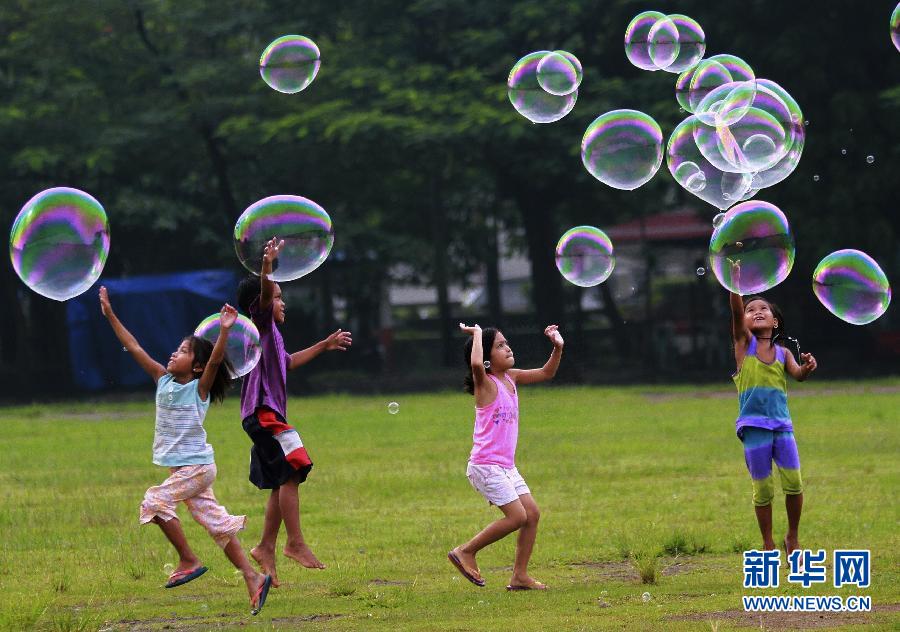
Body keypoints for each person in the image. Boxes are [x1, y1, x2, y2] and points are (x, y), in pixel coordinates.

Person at [99, 286, 271, 615]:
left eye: (182, 351)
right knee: (218, 526)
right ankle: (253, 578)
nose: (173, 354)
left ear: (196, 367)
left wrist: (223, 330)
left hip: (197, 467)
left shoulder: (199, 389)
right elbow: (132, 345)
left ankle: (189, 559)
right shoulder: (162, 380)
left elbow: (217, 359)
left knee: (154, 500)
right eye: (176, 349)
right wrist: (110, 315)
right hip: (184, 471)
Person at [236, 237, 352, 586]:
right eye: (277, 297)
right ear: (262, 303)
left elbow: (287, 363)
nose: (282, 303)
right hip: (264, 412)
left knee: (280, 480)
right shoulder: (261, 326)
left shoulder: (273, 338)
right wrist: (266, 268)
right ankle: (295, 543)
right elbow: (264, 297)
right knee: (296, 465)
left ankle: (266, 547)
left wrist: (324, 345)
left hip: (264, 415)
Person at [449, 322, 563, 590]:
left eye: (506, 342)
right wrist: (477, 334)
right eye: (500, 345)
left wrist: (557, 347)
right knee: (517, 517)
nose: (508, 347)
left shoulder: (512, 377)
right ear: (487, 360)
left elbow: (547, 373)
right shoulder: (485, 383)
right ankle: (465, 551)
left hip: (505, 466)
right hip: (485, 466)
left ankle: (520, 576)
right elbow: (476, 364)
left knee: (531, 514)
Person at [729, 285, 817, 558]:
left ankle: (792, 536)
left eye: (763, 309)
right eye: (750, 310)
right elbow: (735, 308)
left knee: (794, 482)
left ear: (775, 321)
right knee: (763, 487)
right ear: (742, 321)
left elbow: (798, 375)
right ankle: (768, 544)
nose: (756, 312)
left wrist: (806, 368)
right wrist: (734, 283)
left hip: (782, 427)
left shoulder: (783, 353)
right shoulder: (744, 346)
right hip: (754, 429)